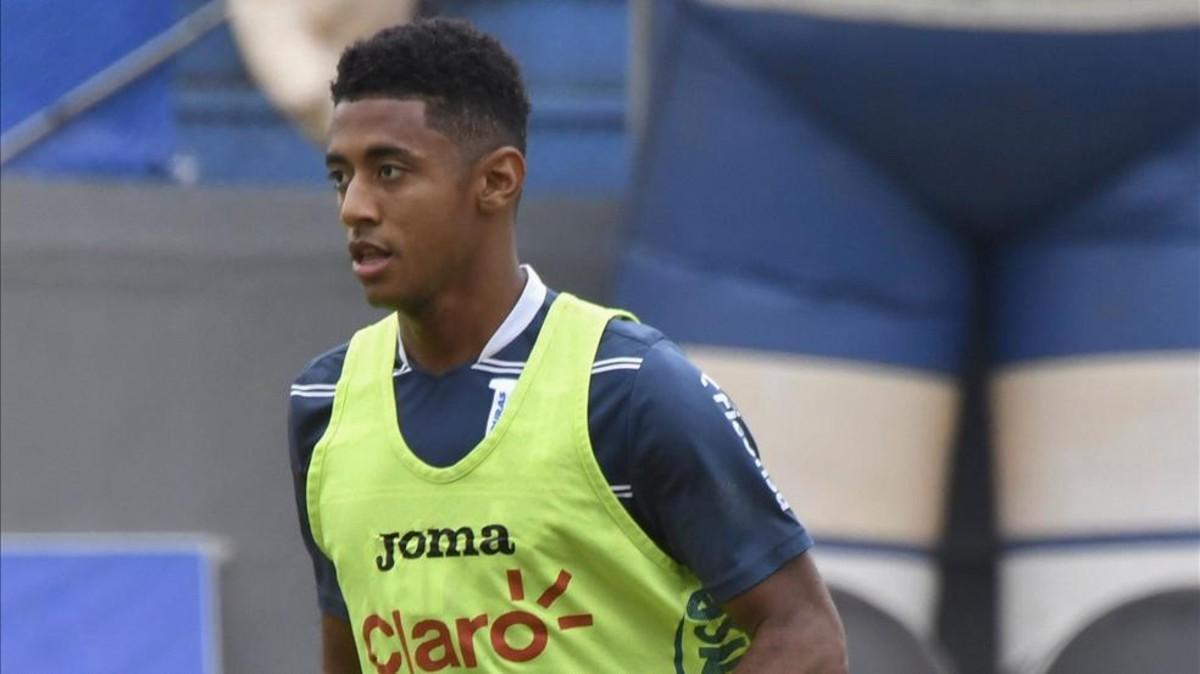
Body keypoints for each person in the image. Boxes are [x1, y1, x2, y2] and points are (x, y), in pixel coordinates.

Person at [287, 18, 847, 674]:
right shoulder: (323, 406)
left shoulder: (628, 387)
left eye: (389, 171)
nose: (354, 206)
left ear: (497, 181)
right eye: (339, 177)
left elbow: (806, 635)